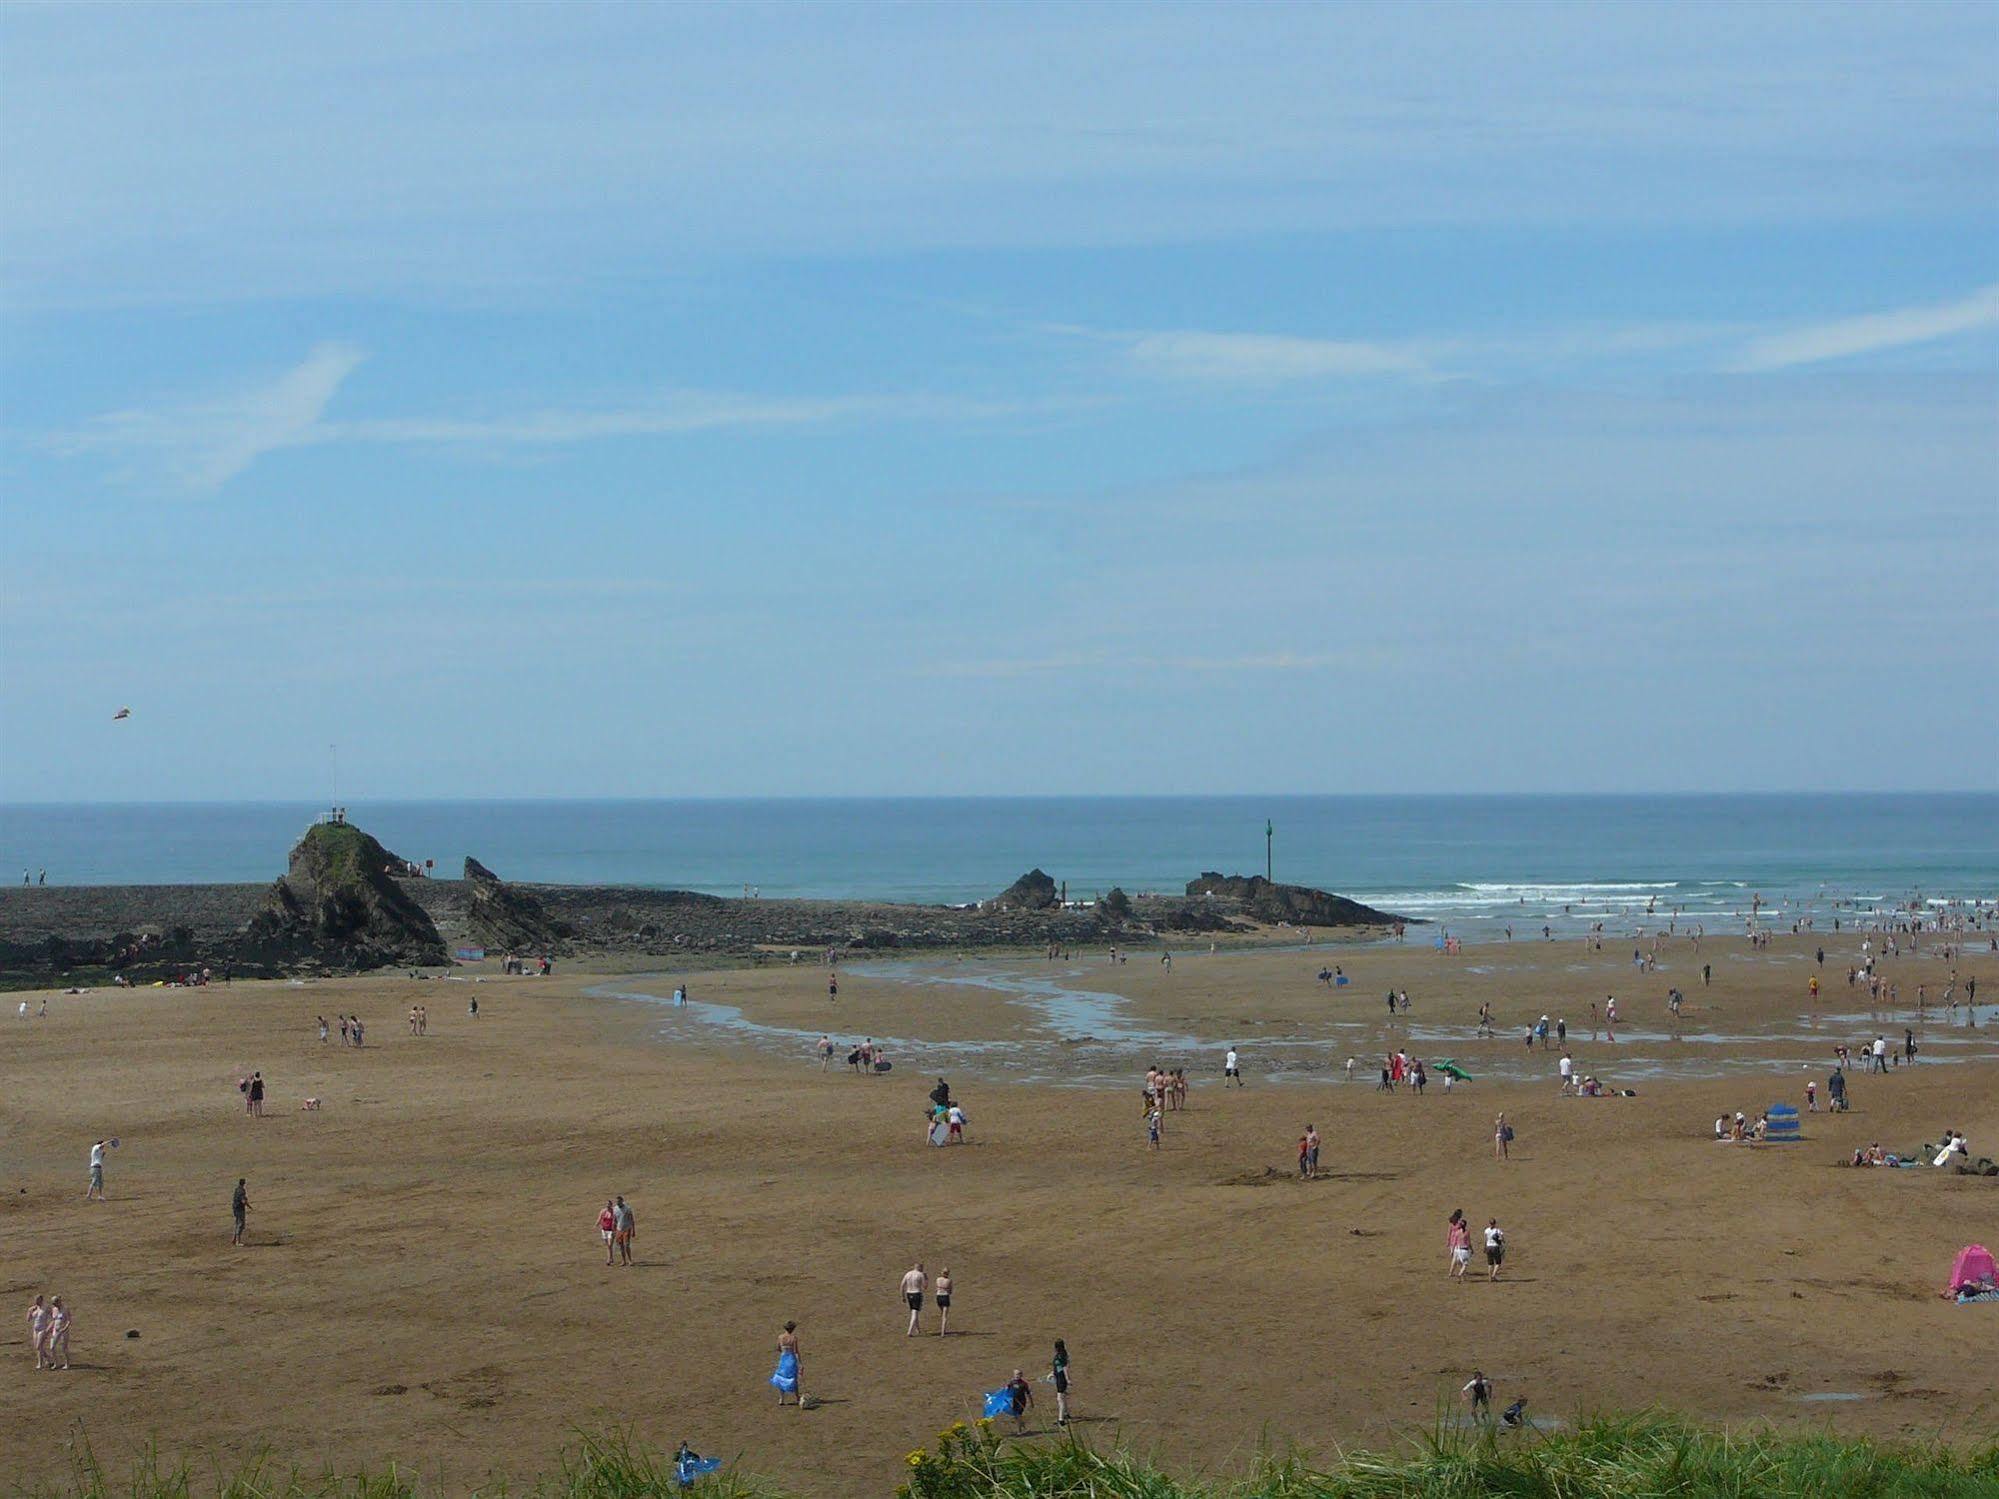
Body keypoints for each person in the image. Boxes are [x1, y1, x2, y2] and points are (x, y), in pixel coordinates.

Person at [771, 1321, 803, 1407]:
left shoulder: (780, 1337)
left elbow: (778, 1348)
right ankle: (797, 1397)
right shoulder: (793, 1338)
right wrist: (800, 1363)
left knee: (782, 1378)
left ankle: (781, 1398)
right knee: (793, 1378)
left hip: (783, 1359)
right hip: (791, 1359)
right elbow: (796, 1352)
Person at [1005, 1367, 1034, 1434]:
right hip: (1015, 1401)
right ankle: (1024, 1428)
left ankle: (1019, 1430)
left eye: (1019, 1374)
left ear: (1021, 1375)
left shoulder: (1024, 1384)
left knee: (1018, 1415)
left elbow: (1028, 1394)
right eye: (1016, 1374)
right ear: (1014, 1375)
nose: (1018, 1375)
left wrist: (1031, 1403)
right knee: (1016, 1416)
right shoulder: (1011, 1382)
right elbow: (1006, 1390)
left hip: (1022, 1401)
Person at [901, 1262, 927, 1336]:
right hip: (917, 1293)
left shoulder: (908, 1274)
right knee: (915, 1313)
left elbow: (902, 1285)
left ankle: (918, 1329)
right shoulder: (920, 1274)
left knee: (913, 1312)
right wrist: (926, 1279)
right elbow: (925, 1287)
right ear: (919, 1267)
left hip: (909, 1293)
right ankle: (910, 1331)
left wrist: (902, 1296)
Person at [1051, 1339, 1072, 1426]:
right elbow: (1058, 1367)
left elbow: (1065, 1368)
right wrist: (1052, 1373)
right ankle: (1066, 1414)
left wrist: (1067, 1379)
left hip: (1061, 1380)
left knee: (1060, 1399)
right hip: (1059, 1378)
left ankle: (1061, 1419)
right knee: (1063, 1397)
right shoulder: (1061, 1355)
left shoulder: (1061, 1356)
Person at [27, 1294, 51, 1369]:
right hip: (35, 1329)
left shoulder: (46, 1308)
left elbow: (53, 1317)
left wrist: (49, 1328)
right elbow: (28, 1319)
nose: (36, 1302)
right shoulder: (34, 1308)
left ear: (41, 1300)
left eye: (38, 1300)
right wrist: (29, 1311)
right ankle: (48, 1358)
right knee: (37, 1347)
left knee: (38, 1346)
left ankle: (40, 1364)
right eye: (35, 1300)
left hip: (43, 1329)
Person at [45, 1297, 70, 1370]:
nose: (54, 1305)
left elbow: (69, 1320)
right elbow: (53, 1320)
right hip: (55, 1330)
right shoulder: (54, 1309)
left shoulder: (65, 1309)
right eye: (53, 1304)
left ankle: (67, 1363)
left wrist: (64, 1328)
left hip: (63, 1331)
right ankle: (56, 1363)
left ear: (59, 1302)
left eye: (55, 1303)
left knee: (64, 1348)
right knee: (52, 1347)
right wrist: (48, 1330)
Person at [1447, 1209, 1472, 1280]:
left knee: (1455, 1259)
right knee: (1457, 1260)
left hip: (1453, 1241)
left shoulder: (1451, 1222)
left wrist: (1448, 1241)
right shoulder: (1459, 1223)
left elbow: (1449, 1232)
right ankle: (1461, 1273)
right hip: (1459, 1241)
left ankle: (1451, 1273)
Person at [613, 1195, 635, 1265]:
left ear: (622, 1201)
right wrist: (614, 1230)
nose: (617, 1203)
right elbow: (615, 1219)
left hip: (627, 1228)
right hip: (619, 1229)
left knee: (627, 1245)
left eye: (619, 1202)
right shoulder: (615, 1209)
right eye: (617, 1202)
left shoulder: (627, 1208)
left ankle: (630, 1260)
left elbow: (632, 1219)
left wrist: (633, 1230)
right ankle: (623, 1261)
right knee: (621, 1245)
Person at [598, 1199, 617, 1265]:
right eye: (607, 1204)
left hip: (611, 1230)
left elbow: (616, 1220)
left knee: (609, 1245)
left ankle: (609, 1259)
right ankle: (611, 1258)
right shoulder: (603, 1211)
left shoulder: (614, 1212)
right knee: (608, 1246)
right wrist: (597, 1224)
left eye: (609, 1204)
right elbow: (600, 1218)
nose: (608, 1205)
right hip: (604, 1230)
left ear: (611, 1205)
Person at [231, 1178, 250, 1246]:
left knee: (237, 1223)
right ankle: (237, 1241)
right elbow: (243, 1201)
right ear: (244, 1183)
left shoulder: (237, 1189)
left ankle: (234, 1239)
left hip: (235, 1208)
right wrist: (248, 1205)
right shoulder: (242, 1191)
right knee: (241, 1224)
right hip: (240, 1209)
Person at [934, 1267, 953, 1336]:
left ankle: (943, 1330)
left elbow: (936, 1289)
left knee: (942, 1313)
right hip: (945, 1296)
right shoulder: (949, 1280)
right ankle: (943, 1332)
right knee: (944, 1316)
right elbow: (950, 1291)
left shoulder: (938, 1279)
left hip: (938, 1297)